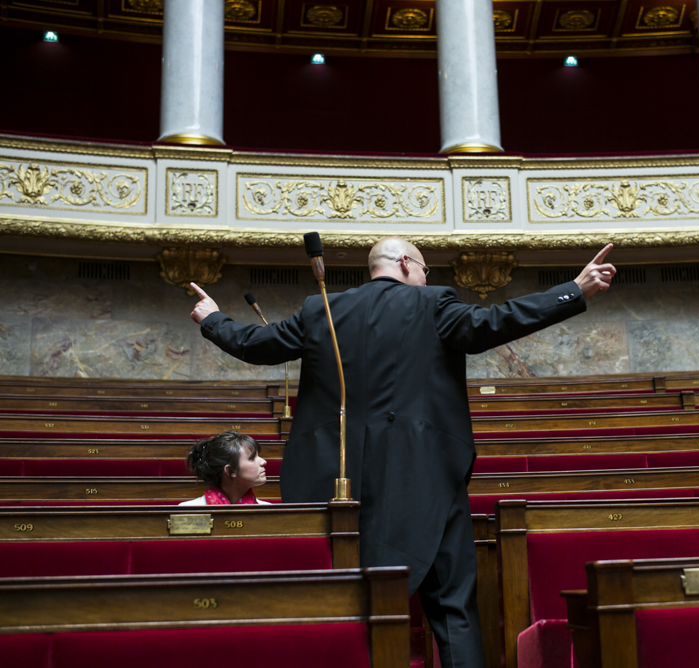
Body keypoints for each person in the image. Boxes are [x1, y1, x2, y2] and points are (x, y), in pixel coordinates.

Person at [188, 238, 615, 668]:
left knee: (341, 607)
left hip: (335, 483)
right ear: (408, 264)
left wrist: (212, 319)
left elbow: (257, 345)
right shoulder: (433, 303)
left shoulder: (322, 309)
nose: (427, 279)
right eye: (426, 271)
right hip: (424, 477)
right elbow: (496, 322)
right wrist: (574, 289)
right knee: (453, 609)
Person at [180, 431, 271, 506]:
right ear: (230, 471)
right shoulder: (187, 510)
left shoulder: (269, 511)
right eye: (252, 458)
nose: (263, 461)